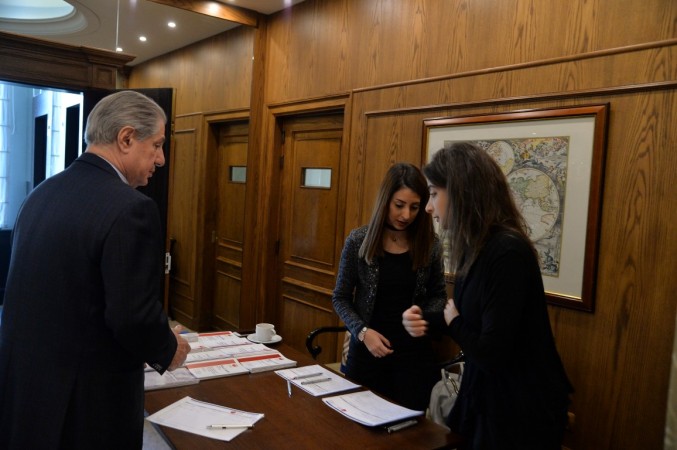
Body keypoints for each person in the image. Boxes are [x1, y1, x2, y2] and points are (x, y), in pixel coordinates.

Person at [0, 90, 191, 449]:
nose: (161, 159)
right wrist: (169, 348)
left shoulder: (40, 194)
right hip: (86, 406)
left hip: (29, 392)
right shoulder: (131, 208)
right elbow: (132, 316)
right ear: (126, 138)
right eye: (157, 145)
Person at [402, 142, 573, 449]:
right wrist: (424, 319)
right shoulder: (476, 248)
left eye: (434, 194)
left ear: (461, 193)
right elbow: (467, 318)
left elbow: (491, 352)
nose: (428, 207)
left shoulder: (507, 252)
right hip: (489, 399)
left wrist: (453, 323)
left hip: (519, 411)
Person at [332, 162, 447, 411]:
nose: (406, 215)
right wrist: (362, 332)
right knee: (360, 422)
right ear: (385, 201)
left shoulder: (431, 244)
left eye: (414, 207)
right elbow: (340, 297)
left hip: (413, 357)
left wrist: (423, 316)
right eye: (399, 205)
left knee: (410, 427)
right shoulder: (358, 240)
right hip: (367, 353)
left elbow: (438, 295)